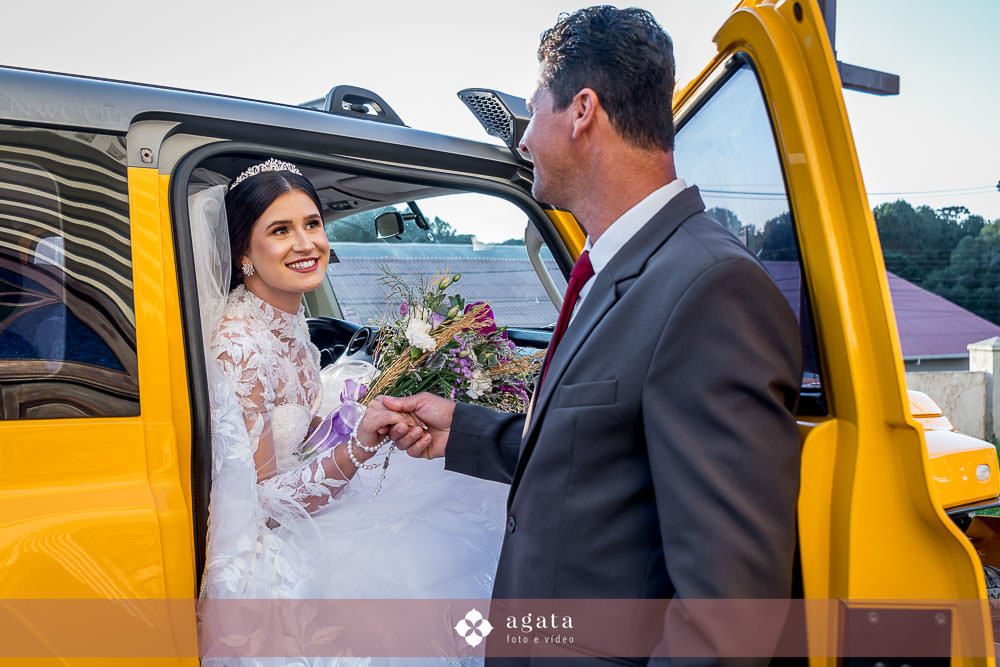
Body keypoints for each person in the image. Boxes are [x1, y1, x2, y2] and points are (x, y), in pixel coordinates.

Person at [382, 6, 803, 664]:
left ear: (581, 111)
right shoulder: (615, 270)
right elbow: (601, 453)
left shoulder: (712, 289)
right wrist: (458, 430)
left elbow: (728, 624)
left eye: (533, 111)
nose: (523, 141)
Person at [190, 158, 507, 662]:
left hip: (300, 502)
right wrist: (357, 447)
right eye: (280, 230)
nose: (305, 243)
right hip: (268, 543)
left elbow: (293, 431)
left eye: (312, 224)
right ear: (244, 253)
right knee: (418, 565)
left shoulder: (287, 322)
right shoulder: (240, 346)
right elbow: (263, 504)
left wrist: (357, 417)